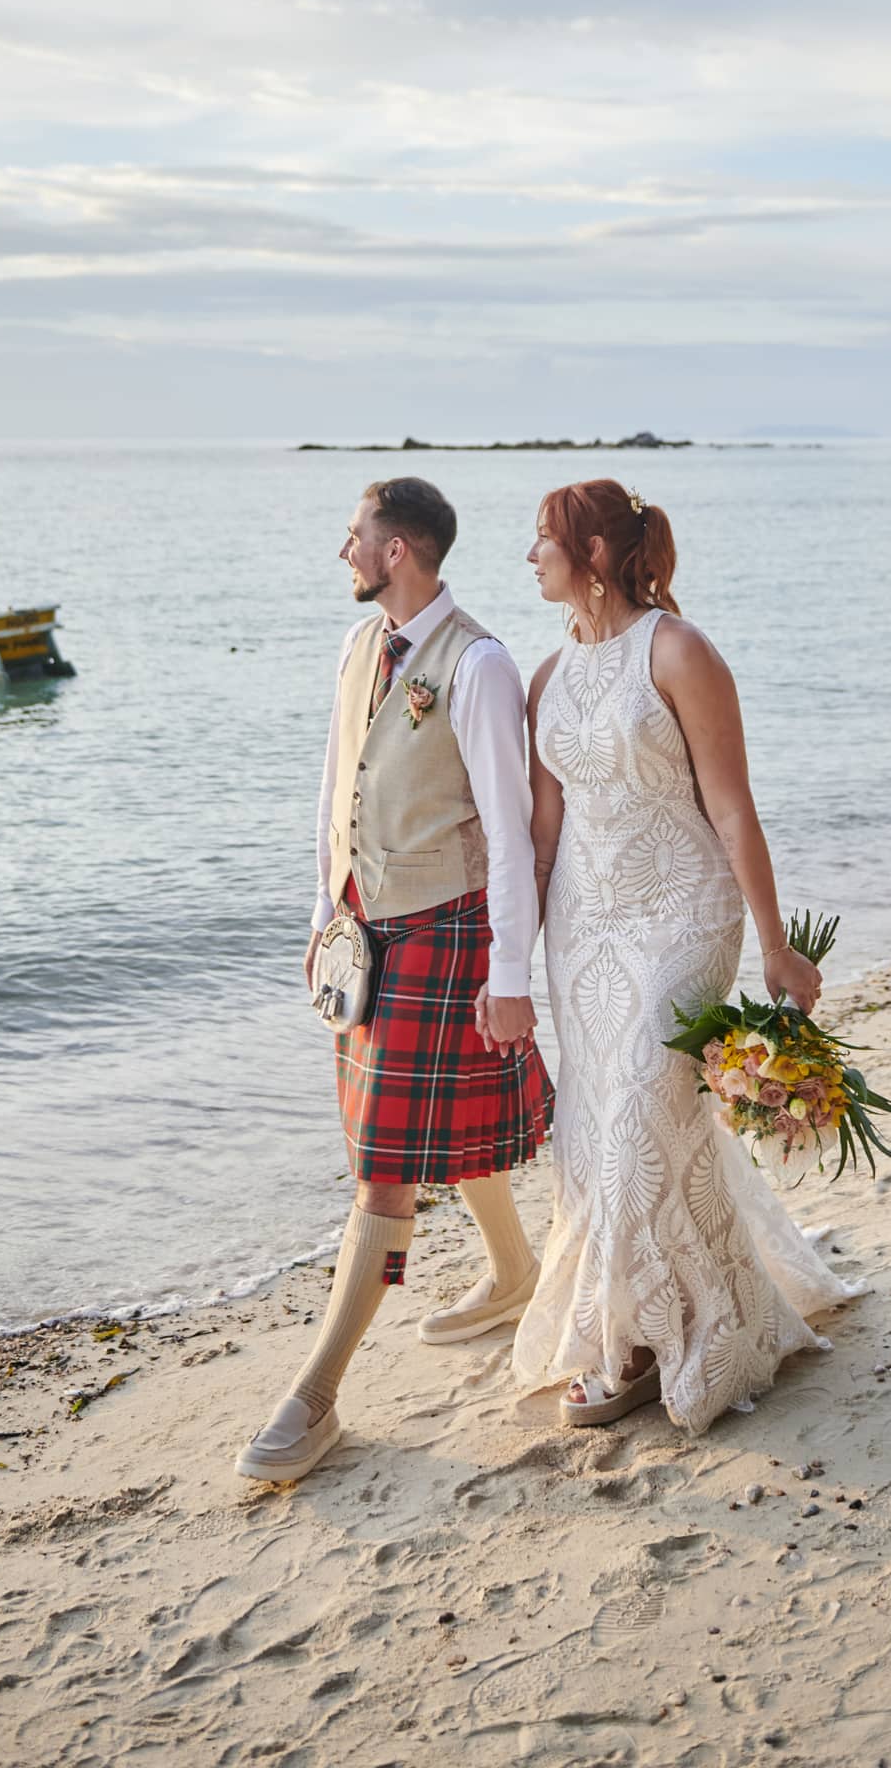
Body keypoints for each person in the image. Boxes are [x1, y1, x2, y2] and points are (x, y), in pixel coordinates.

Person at [510, 479, 857, 1430]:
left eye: (542, 540)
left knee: (634, 1125)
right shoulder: (545, 677)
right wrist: (509, 964)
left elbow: (731, 806)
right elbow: (544, 832)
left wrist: (778, 948)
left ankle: (638, 1345)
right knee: (599, 1133)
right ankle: (645, 1318)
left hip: (681, 913)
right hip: (584, 930)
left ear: (589, 554)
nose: (527, 557)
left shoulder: (679, 651)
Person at [236, 476, 553, 1484]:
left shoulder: (483, 665)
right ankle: (512, 1274)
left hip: (448, 930)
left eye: (356, 537)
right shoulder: (358, 647)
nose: (345, 550)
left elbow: (510, 836)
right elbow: (336, 788)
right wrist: (324, 917)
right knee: (425, 1133)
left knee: (387, 1161)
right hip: (367, 935)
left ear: (402, 549)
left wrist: (512, 974)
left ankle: (315, 1397)